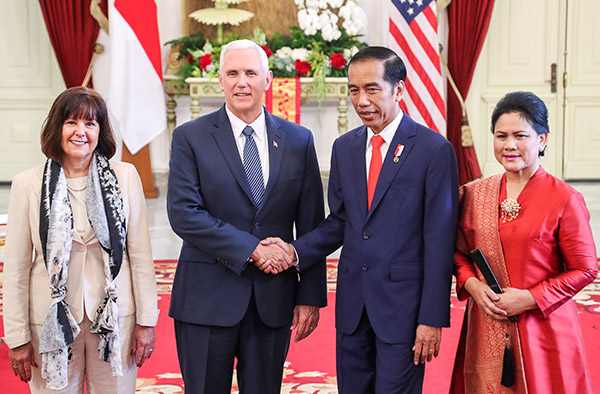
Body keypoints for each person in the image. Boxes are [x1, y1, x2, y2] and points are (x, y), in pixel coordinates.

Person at [261, 46, 459, 393]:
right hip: (353, 307)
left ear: (398, 90)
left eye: (372, 89)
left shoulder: (433, 150)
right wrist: (294, 252)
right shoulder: (345, 147)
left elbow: (440, 241)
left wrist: (432, 318)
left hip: (404, 311)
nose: (361, 100)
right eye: (354, 90)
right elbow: (340, 221)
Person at [166, 39, 326, 394]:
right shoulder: (190, 138)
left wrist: (309, 296)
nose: (242, 82)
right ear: (219, 80)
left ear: (268, 80)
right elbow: (184, 214)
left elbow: (313, 224)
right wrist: (254, 249)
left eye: (251, 73)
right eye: (233, 73)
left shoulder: (299, 140)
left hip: (272, 301)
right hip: (205, 301)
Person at [2, 87, 159, 393]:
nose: (80, 132)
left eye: (90, 124)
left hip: (116, 320)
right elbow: (17, 269)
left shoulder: (125, 176)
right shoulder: (28, 184)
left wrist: (147, 320)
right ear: (56, 128)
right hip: (49, 321)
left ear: (101, 131)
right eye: (71, 122)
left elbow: (139, 255)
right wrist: (17, 336)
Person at [450, 91, 598, 394]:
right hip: (486, 323)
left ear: (542, 139)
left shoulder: (564, 199)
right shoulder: (474, 195)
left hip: (545, 328)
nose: (510, 145)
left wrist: (529, 298)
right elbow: (458, 253)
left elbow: (585, 268)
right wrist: (473, 286)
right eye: (501, 136)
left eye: (520, 135)